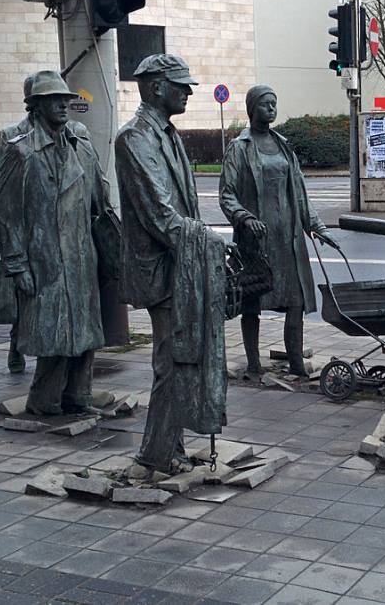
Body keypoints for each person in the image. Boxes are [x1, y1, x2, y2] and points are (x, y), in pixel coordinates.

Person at [116, 54, 228, 476]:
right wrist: (207, 242)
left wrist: (202, 240)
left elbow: (185, 207)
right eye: (180, 84)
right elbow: (160, 214)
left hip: (182, 264)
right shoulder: (134, 139)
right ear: (155, 86)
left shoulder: (169, 135)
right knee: (170, 361)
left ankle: (171, 446)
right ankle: (156, 453)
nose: (188, 91)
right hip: (160, 270)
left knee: (180, 358)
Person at [0, 71, 109, 416]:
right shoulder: (22, 152)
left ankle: (77, 396)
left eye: (65, 98)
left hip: (82, 255)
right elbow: (6, 212)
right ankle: (43, 400)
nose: (63, 104)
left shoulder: (79, 145)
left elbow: (99, 200)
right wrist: (16, 264)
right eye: (53, 99)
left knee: (85, 332)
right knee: (54, 333)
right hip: (45, 259)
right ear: (36, 106)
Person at [220, 85, 336, 380]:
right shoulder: (239, 147)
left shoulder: (284, 145)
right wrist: (244, 218)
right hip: (256, 241)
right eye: (265, 104)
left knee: (295, 301)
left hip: (288, 239)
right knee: (252, 303)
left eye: (274, 103)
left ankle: (296, 361)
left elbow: (300, 194)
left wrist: (317, 227)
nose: (271, 109)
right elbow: (227, 194)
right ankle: (253, 364)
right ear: (252, 109)